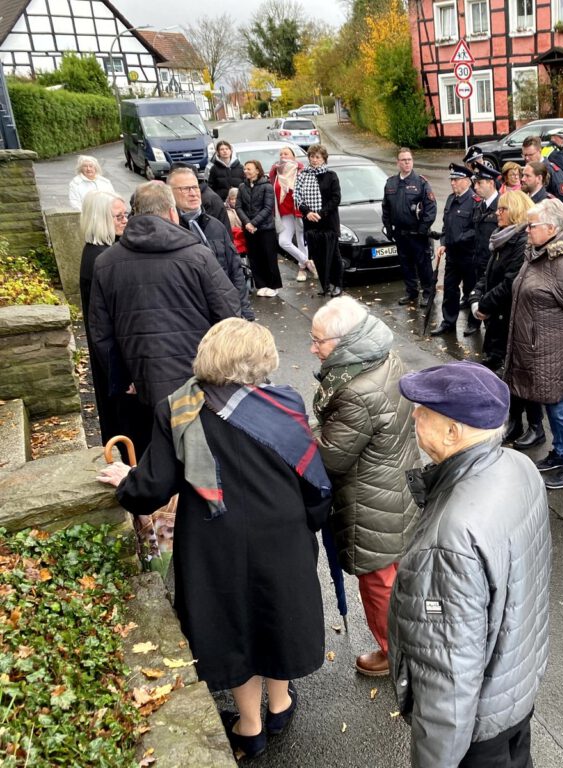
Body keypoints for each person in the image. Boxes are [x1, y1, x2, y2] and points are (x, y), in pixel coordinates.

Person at [97, 319, 332, 760]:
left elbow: (153, 487)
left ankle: (251, 725)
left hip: (213, 539)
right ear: (261, 361)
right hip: (281, 533)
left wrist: (127, 480)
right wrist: (310, 523)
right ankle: (279, 705)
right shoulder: (286, 403)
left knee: (236, 624)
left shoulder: (177, 407)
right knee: (274, 613)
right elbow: (309, 475)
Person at [389, 361, 551, 768]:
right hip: (515, 692)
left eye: (423, 410)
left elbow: (448, 679)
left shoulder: (450, 538)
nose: (413, 414)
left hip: (478, 735)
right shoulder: (518, 467)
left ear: (452, 431)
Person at [88, 181, 241, 454]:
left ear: (135, 214)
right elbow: (229, 314)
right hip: (197, 381)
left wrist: (123, 378)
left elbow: (101, 332)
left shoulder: (106, 263)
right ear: (172, 212)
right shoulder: (198, 255)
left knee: (157, 455)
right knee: (200, 456)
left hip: (142, 385)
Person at [310, 296, 418, 678]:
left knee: (379, 584)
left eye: (318, 340)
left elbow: (330, 458)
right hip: (397, 483)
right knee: (399, 575)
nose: (313, 348)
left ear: (343, 341)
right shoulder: (386, 357)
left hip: (371, 499)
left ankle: (394, 654)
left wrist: (302, 433)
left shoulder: (355, 390)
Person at [505, 198, 563, 490]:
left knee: (561, 409)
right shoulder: (536, 254)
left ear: (551, 227)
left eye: (531, 225)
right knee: (550, 406)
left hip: (556, 352)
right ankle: (560, 453)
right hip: (539, 350)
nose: (526, 230)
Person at [79, 190, 141, 453]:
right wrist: (124, 375)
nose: (125, 220)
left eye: (125, 214)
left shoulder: (100, 255)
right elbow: (104, 327)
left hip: (116, 361)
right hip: (118, 364)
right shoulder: (101, 261)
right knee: (130, 430)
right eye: (118, 216)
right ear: (101, 220)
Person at [167, 166, 254, 321]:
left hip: (225, 312)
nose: (193, 193)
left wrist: (245, 312)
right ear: (170, 193)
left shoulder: (215, 226)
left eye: (195, 187)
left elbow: (235, 270)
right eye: (185, 189)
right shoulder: (169, 231)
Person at [469, 189, 532, 371]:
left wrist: (484, 305)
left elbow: (509, 283)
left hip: (506, 319)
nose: (497, 213)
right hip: (495, 317)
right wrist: (475, 298)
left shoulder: (521, 241)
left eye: (502, 209)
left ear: (515, 210)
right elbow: (488, 274)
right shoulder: (502, 236)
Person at [382, 148, 437, 307]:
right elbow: (386, 207)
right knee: (405, 264)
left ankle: (427, 293)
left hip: (417, 233)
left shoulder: (421, 182)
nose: (407, 162)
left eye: (409, 159)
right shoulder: (391, 183)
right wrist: (388, 227)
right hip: (400, 233)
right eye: (403, 160)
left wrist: (423, 227)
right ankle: (411, 292)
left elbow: (431, 207)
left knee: (423, 265)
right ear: (398, 162)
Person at [430, 164, 477, 336]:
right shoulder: (451, 199)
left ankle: (474, 323)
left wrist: (459, 238)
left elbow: (476, 229)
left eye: (456, 180)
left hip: (469, 255)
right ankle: (448, 322)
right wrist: (443, 242)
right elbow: (446, 226)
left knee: (471, 290)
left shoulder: (474, 201)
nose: (452, 183)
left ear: (467, 181)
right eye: (451, 180)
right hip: (453, 256)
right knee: (450, 290)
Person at [295, 144, 343, 297]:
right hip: (310, 221)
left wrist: (321, 213)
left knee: (333, 255)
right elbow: (297, 197)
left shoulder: (331, 175)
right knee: (318, 256)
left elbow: (336, 198)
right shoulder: (302, 175)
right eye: (312, 157)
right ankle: (325, 285)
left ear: (324, 159)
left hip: (328, 222)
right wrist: (307, 212)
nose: (314, 160)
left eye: (318, 157)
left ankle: (337, 285)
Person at [464, 165, 501, 337]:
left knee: (492, 305)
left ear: (491, 183)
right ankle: (476, 324)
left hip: (492, 264)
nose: (475, 187)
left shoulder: (501, 206)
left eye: (479, 183)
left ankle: (494, 345)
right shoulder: (480, 206)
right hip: (478, 262)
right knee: (477, 297)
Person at [237, 159, 282, 298]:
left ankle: (274, 285)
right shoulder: (242, 187)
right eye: (245, 169)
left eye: (249, 169)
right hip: (249, 228)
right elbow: (238, 206)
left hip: (265, 228)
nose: (246, 171)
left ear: (257, 170)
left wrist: (253, 223)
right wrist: (247, 223)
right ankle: (261, 284)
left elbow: (268, 208)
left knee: (269, 257)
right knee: (255, 258)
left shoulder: (266, 186)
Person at [270, 146, 314, 283]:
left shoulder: (300, 170)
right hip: (284, 212)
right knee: (283, 241)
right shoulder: (275, 172)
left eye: (286, 153)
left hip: (299, 211)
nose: (283, 155)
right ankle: (307, 262)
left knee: (301, 240)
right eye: (281, 153)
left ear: (293, 157)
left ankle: (302, 269)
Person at [522, 135, 563, 213]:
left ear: (539, 151)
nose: (527, 158)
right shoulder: (527, 169)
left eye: (530, 155)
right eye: (524, 155)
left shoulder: (552, 171)